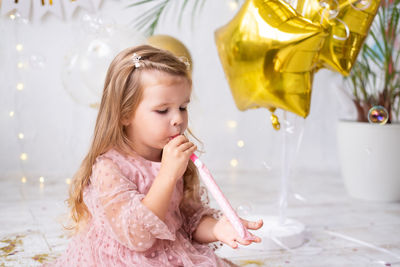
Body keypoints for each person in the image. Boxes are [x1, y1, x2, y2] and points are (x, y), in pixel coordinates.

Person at [47, 45, 263, 267]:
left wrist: (217, 228)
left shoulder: (170, 157)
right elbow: (138, 237)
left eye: (183, 107)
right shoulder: (109, 167)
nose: (178, 119)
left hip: (170, 253)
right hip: (125, 259)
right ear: (125, 114)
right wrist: (167, 175)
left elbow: (186, 219)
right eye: (162, 110)